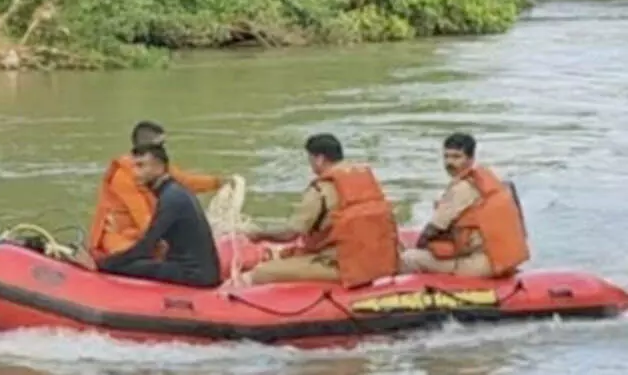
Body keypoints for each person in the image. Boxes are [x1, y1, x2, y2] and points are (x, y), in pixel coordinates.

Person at [242, 134, 400, 287]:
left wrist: (259, 234)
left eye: (310, 159)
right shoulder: (365, 179)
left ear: (319, 159)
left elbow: (290, 233)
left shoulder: (320, 191)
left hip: (345, 266)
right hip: (379, 259)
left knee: (262, 272)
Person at [78, 145, 221, 287]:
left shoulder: (171, 199)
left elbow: (146, 247)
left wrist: (101, 264)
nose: (135, 173)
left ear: (159, 167)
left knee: (127, 266)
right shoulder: (175, 192)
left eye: (141, 166)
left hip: (194, 275)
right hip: (201, 271)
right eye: (134, 166)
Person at [84, 121, 223, 260]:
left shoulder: (157, 168)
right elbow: (143, 219)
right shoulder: (123, 177)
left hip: (144, 234)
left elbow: (185, 181)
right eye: (159, 145)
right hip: (120, 237)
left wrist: (218, 182)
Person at [401, 133, 530, 278]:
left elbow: (434, 228)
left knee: (408, 258)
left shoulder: (462, 188)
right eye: (446, 156)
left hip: (480, 264)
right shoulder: (485, 181)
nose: (449, 162)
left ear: (470, 159)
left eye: (456, 157)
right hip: (497, 258)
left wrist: (417, 247)